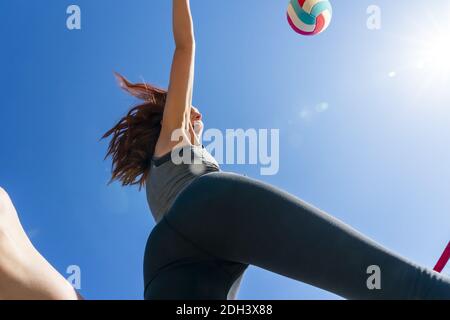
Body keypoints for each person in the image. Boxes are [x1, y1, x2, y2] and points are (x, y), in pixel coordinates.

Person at [102, 0, 450, 300]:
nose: (198, 115)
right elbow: (185, 47)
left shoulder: (153, 183)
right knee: (393, 283)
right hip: (210, 208)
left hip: (164, 262)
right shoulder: (174, 135)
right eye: (193, 113)